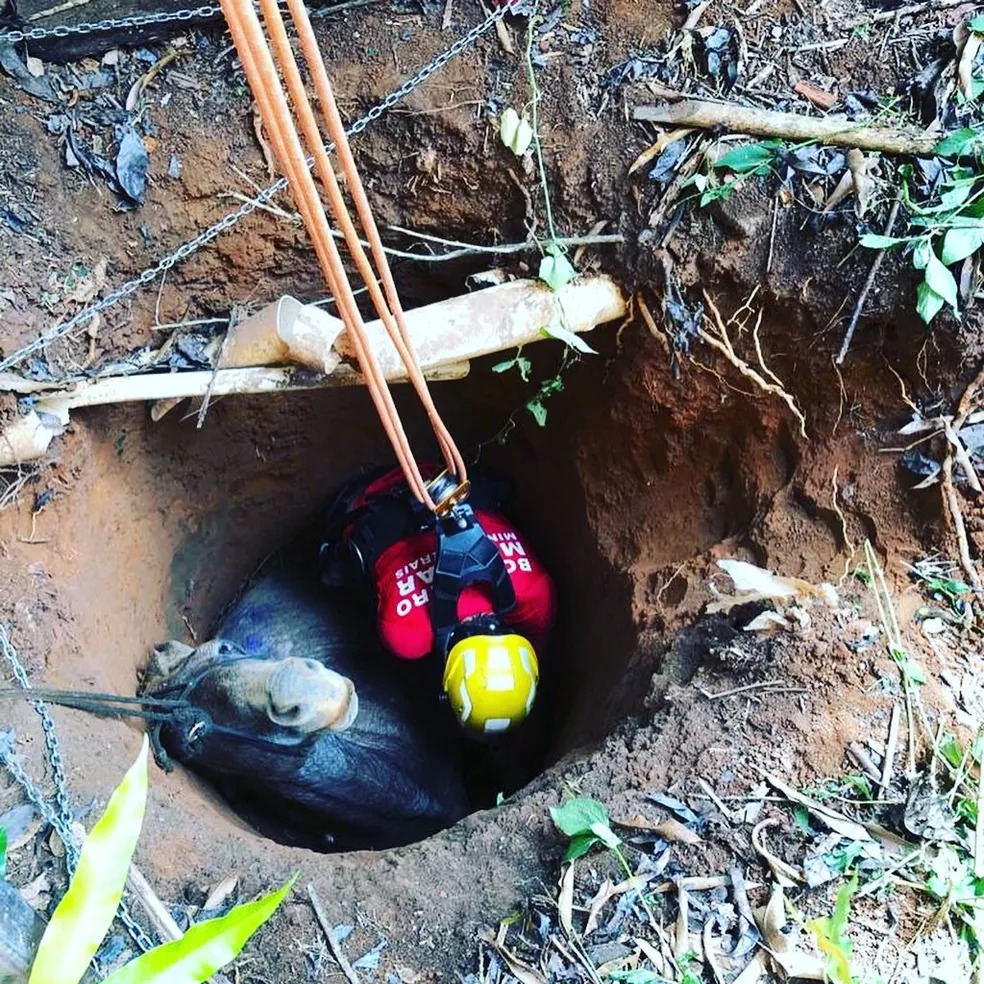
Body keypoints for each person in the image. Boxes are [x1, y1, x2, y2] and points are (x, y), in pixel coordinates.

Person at [320, 466, 556, 737]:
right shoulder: (407, 635)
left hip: (442, 471)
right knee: (344, 576)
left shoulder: (535, 593)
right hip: (366, 496)